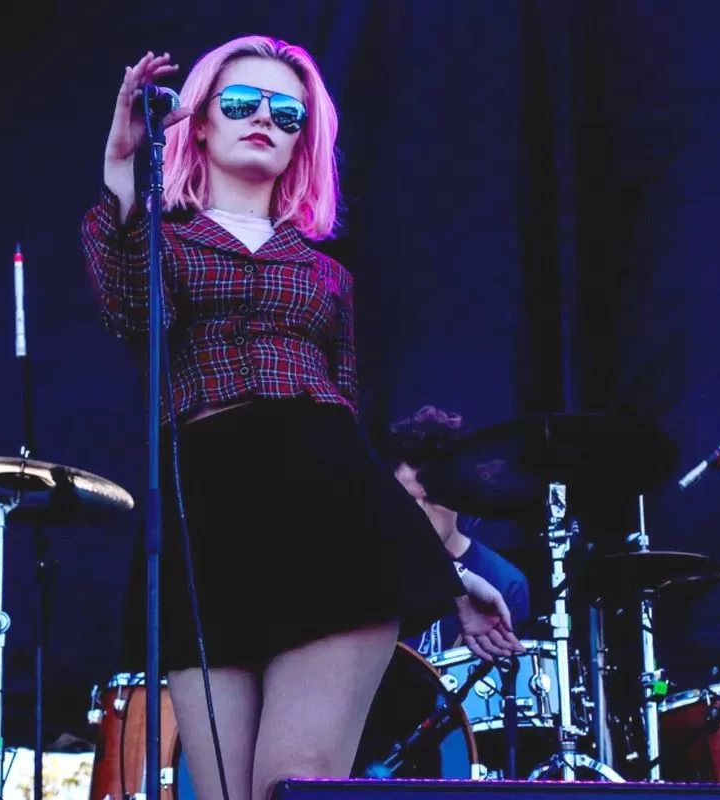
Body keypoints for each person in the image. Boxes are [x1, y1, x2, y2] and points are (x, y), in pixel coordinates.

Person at [81, 37, 523, 800]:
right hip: (210, 526)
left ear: (301, 142)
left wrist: (448, 573)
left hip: (331, 529)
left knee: (292, 784)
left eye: (287, 113)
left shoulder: (328, 275)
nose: (264, 119)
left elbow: (343, 437)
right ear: (199, 124)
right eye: (241, 102)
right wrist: (124, 171)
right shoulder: (160, 241)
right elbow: (127, 313)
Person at [388, 405, 532, 659]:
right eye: (408, 499)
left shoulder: (506, 582)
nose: (419, 512)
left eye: (433, 497)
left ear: (459, 494)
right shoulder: (378, 568)